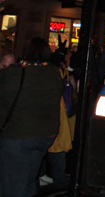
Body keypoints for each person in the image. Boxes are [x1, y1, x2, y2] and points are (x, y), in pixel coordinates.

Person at [0, 37, 64, 197]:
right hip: (45, 135)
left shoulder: (14, 73)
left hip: (18, 135)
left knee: (13, 184)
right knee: (29, 178)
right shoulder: (53, 72)